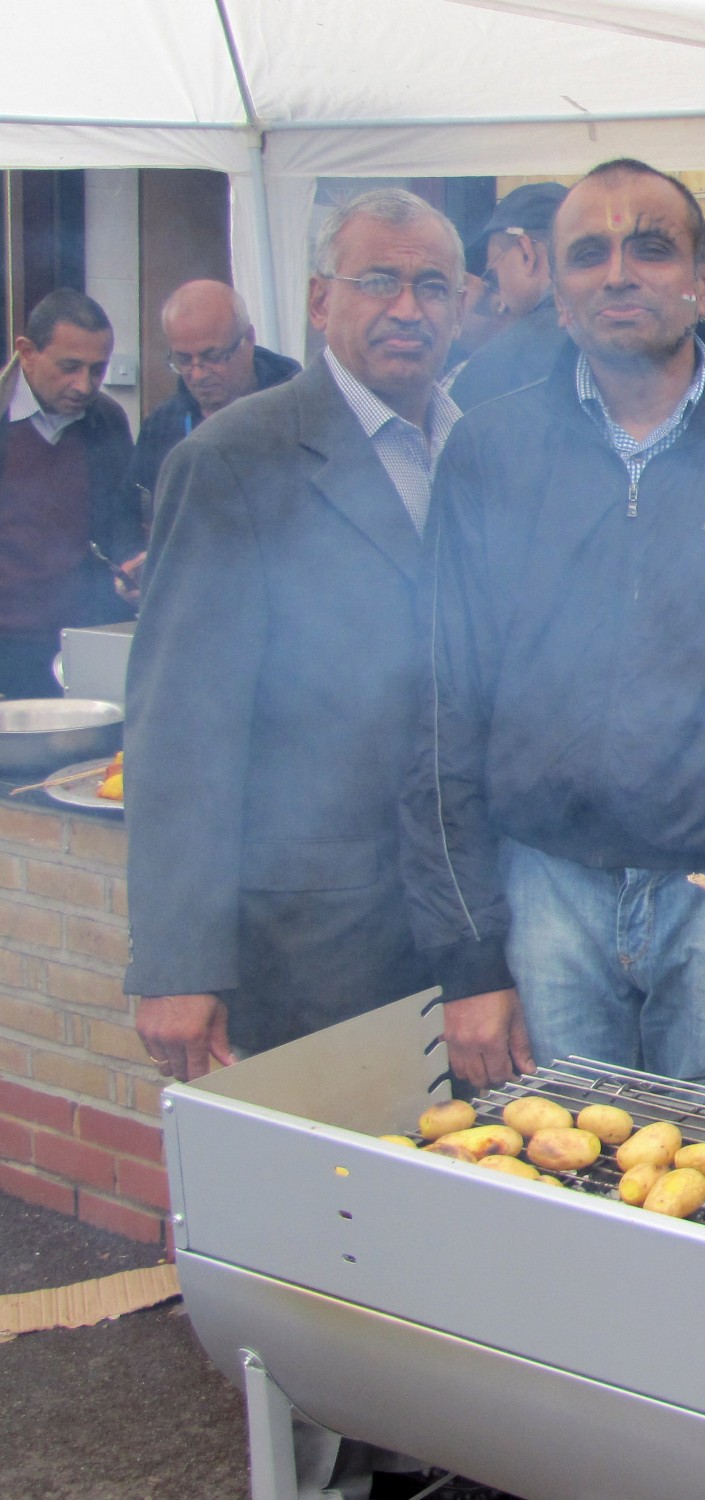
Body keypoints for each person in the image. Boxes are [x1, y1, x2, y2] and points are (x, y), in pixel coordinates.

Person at [403, 158, 705, 1085]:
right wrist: (468, 958)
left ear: (703, 280)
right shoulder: (487, 452)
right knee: (554, 1190)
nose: (619, 272)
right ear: (559, 293)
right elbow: (439, 704)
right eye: (589, 254)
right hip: (541, 889)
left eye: (651, 248)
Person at [126, 187, 531, 1093]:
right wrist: (176, 961)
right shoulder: (234, 461)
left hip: (479, 927)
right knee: (326, 1204)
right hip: (312, 941)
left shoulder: (486, 454)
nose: (407, 308)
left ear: (463, 306)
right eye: (377, 280)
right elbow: (181, 727)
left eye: (433, 286)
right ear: (319, 301)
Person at [0, 289, 138, 698]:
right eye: (69, 367)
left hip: (82, 639)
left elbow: (123, 521)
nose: (84, 385)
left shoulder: (107, 421)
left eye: (97, 370)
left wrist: (132, 565)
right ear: (27, 352)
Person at [125, 279, 300, 515]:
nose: (197, 375)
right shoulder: (162, 424)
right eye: (184, 360)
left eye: (214, 356)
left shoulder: (299, 412)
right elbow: (133, 510)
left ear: (248, 339)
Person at [444, 181, 568, 409]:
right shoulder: (611, 337)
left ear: (525, 253)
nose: (498, 294)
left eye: (492, 275)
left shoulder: (488, 369)